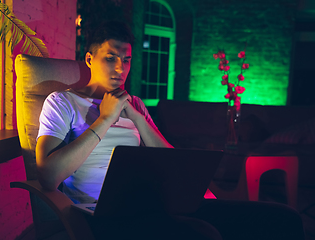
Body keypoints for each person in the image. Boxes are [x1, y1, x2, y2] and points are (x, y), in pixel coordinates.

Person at [36, 20, 305, 240]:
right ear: (89, 58)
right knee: (203, 234)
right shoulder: (62, 102)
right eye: (111, 58)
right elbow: (48, 176)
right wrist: (104, 120)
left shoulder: (136, 104)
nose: (121, 68)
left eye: (127, 59)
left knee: (283, 219)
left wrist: (140, 120)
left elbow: (172, 162)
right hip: (100, 215)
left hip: (154, 203)